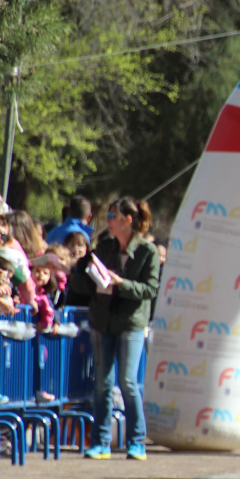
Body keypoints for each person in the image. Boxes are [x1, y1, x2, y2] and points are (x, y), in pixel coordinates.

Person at [68, 197, 159, 461]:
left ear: (127, 220)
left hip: (130, 324)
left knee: (128, 382)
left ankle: (136, 441)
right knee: (102, 383)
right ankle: (100, 442)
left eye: (112, 217)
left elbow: (150, 289)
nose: (107, 221)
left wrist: (121, 283)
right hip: (102, 321)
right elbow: (84, 284)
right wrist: (84, 275)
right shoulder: (104, 247)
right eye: (107, 216)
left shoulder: (147, 251)